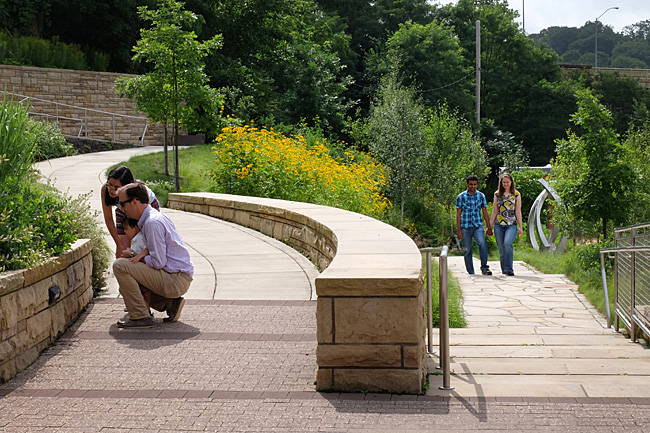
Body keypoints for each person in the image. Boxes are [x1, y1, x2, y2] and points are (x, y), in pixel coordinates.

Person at [113, 182, 193, 328]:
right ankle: (171, 303)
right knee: (126, 286)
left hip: (175, 279)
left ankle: (140, 317)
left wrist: (136, 256)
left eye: (123, 204)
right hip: (177, 277)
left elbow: (158, 262)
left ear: (134, 202)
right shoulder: (151, 218)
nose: (121, 209)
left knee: (120, 266)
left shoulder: (151, 223)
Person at [101, 166, 160, 258]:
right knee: (122, 253)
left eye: (116, 188)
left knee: (140, 245)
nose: (111, 190)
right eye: (109, 185)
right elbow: (108, 218)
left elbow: (147, 216)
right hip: (123, 210)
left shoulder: (139, 189)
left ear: (126, 186)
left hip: (143, 211)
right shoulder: (105, 189)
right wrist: (119, 244)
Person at [456, 175, 493, 275]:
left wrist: (489, 227)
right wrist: (459, 230)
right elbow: (458, 214)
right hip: (465, 226)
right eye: (471, 184)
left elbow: (485, 212)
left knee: (482, 243)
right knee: (467, 249)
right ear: (467, 184)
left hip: (477, 226)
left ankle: (485, 268)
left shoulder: (481, 196)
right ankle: (470, 271)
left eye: (475, 184)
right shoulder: (461, 197)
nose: (473, 186)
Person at [489, 172, 523, 276]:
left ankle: (509, 269)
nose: (506, 184)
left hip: (511, 224)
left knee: (507, 243)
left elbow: (518, 211)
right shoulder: (497, 194)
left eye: (507, 182)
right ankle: (504, 269)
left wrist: (521, 227)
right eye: (504, 182)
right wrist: (490, 226)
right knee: (501, 248)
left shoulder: (516, 194)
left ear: (511, 182)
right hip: (499, 224)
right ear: (501, 183)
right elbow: (495, 211)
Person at [121, 217, 152, 313]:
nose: (125, 232)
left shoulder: (139, 238)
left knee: (141, 294)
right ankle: (144, 311)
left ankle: (146, 313)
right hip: (139, 271)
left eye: (126, 229)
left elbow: (148, 249)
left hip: (140, 272)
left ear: (135, 228)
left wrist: (133, 254)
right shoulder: (136, 239)